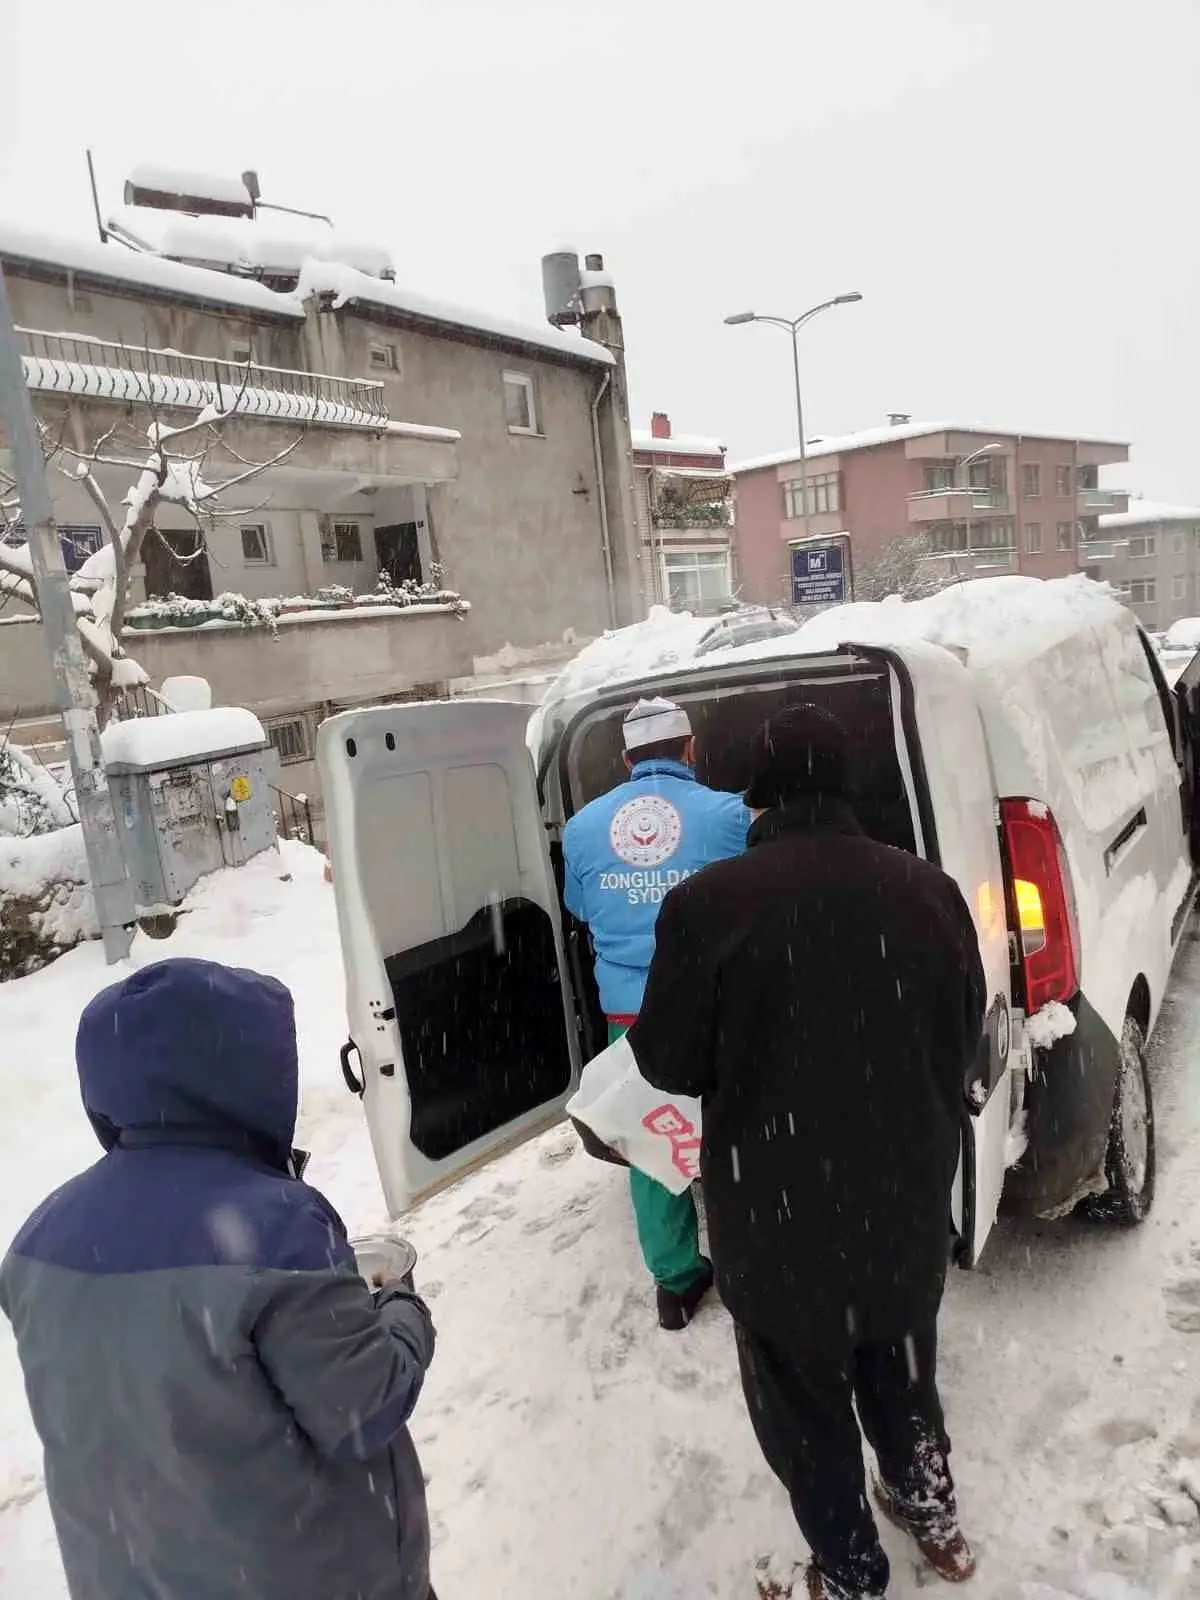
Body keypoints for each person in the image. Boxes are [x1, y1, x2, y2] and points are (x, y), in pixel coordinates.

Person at [630, 704, 986, 1599]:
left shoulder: (708, 906)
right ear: (849, 784)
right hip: (902, 1198)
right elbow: (966, 1040)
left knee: (805, 1407)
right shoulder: (928, 890)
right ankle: (931, 1513)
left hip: (777, 1210)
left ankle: (850, 1568)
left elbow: (666, 1061)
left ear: (758, 791)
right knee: (900, 1364)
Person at [0, 957, 437, 1600]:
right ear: (252, 1075)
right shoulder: (277, 1227)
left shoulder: (38, 1238)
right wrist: (402, 1308)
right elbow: (362, 1409)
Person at [563, 695, 751, 1330]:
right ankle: (752, 1258)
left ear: (625, 758)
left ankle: (674, 1281)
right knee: (735, 1131)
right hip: (718, 1005)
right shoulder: (730, 816)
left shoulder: (583, 826)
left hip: (631, 1016)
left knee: (652, 1136)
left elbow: (582, 909)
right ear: (690, 749)